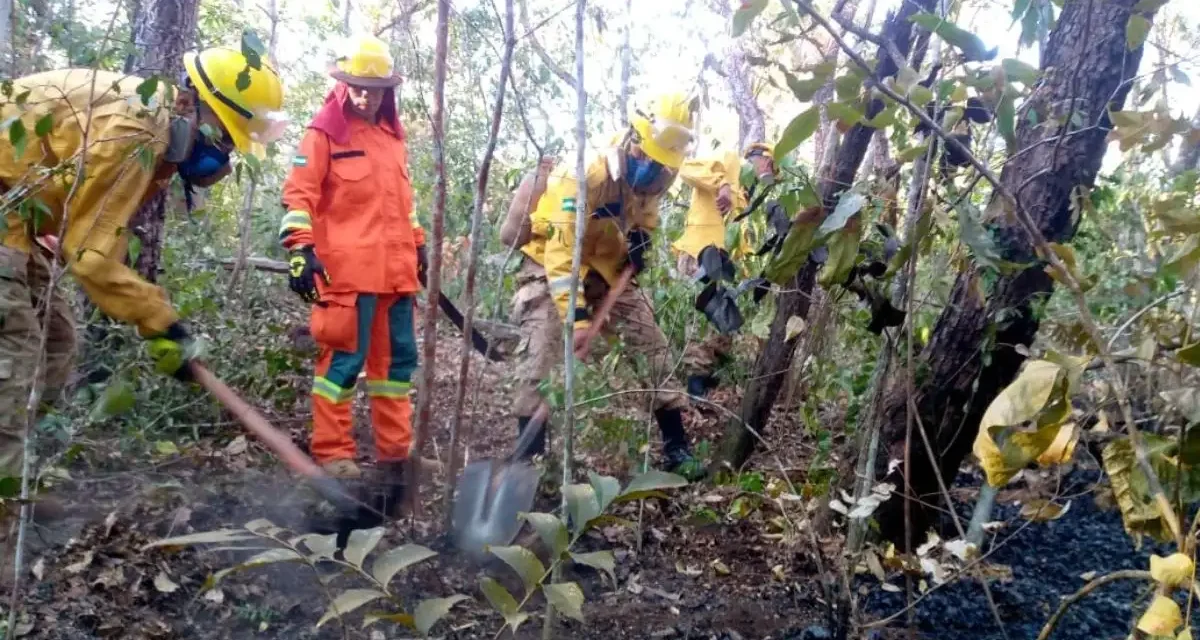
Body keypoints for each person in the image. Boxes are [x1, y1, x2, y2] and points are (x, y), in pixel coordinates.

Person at [0, 49, 286, 515]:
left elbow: (92, 233)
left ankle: (14, 485)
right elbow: (90, 257)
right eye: (226, 140)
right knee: (13, 358)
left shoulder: (155, 123)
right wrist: (160, 320)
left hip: (17, 221)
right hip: (6, 215)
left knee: (57, 342)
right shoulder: (138, 128)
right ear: (198, 107)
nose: (222, 158)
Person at [502, 91, 706, 480]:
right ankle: (526, 465)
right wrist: (578, 321)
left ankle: (677, 448)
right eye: (651, 161)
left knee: (653, 346)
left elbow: (646, 215)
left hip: (608, 270)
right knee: (541, 351)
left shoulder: (659, 178)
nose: (657, 172)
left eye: (665, 167)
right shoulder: (584, 174)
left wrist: (642, 241)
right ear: (635, 142)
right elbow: (561, 257)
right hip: (550, 266)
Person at [278, 34, 425, 515]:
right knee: (340, 368)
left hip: (397, 276)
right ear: (343, 86)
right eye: (358, 86)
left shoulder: (391, 140)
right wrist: (300, 248)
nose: (366, 95)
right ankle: (335, 455)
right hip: (347, 275)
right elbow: (298, 195)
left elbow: (404, 206)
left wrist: (418, 244)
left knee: (395, 372)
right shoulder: (323, 135)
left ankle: (393, 458)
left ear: (388, 90)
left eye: (375, 88)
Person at [673, 143, 777, 398]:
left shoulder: (747, 195)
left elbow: (738, 236)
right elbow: (685, 168)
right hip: (700, 253)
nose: (771, 175)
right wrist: (722, 184)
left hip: (723, 262)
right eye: (772, 168)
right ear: (762, 160)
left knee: (724, 320)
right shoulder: (727, 160)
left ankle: (706, 378)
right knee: (705, 316)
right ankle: (694, 383)